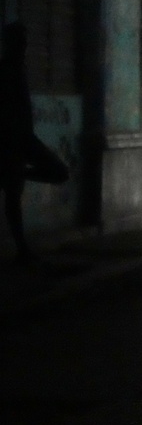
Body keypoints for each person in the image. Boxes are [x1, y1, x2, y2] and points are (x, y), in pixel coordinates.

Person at [0, 22, 69, 261]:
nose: (24, 46)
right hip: (12, 142)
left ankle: (22, 249)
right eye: (20, 41)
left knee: (59, 172)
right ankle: (22, 250)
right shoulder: (7, 70)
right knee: (12, 198)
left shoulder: (18, 69)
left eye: (24, 42)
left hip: (24, 141)